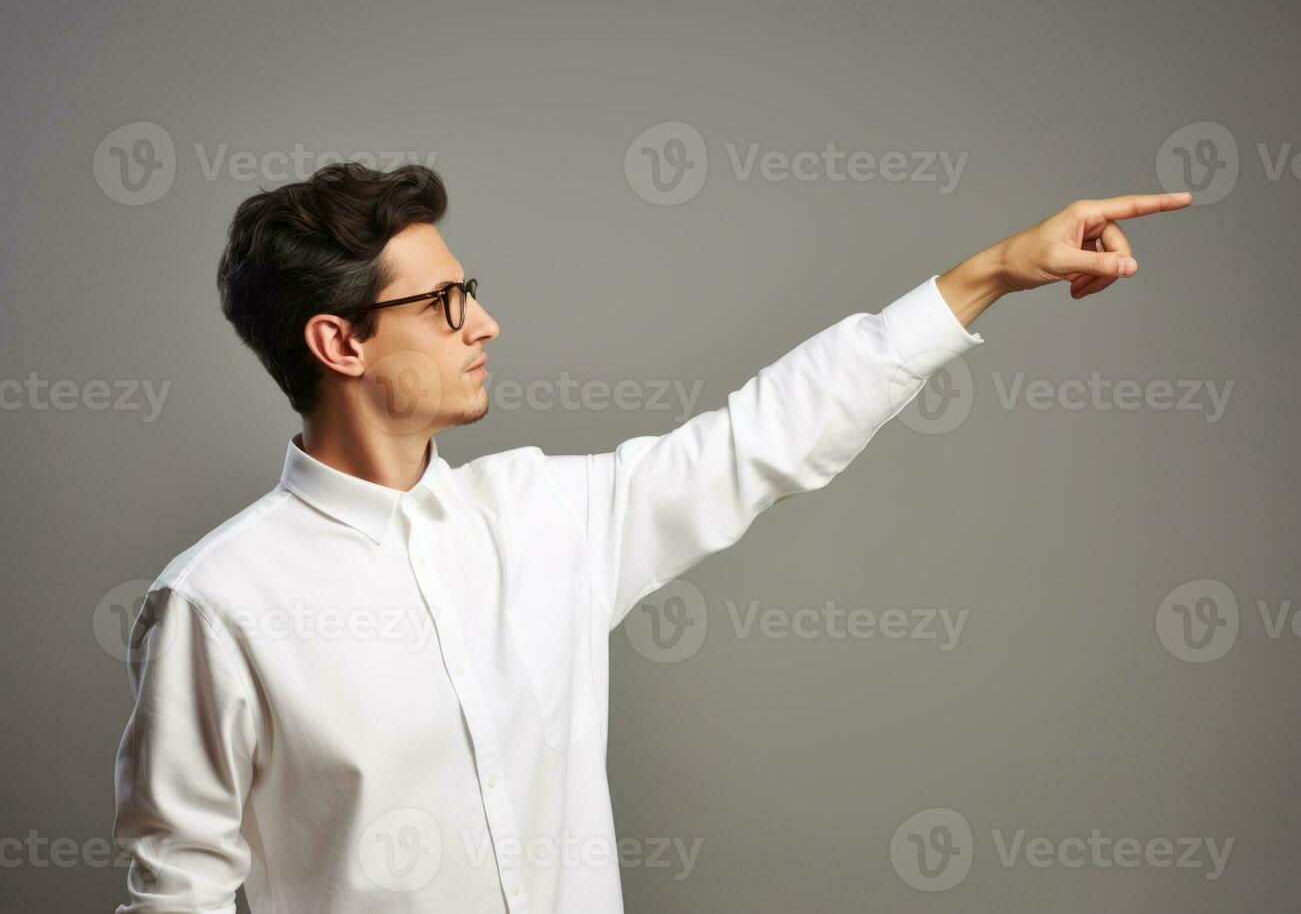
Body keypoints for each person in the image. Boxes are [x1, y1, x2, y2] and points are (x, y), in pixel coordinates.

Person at [111, 162, 1191, 913]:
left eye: (471, 294)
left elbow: (760, 438)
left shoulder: (546, 519)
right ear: (338, 339)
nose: (483, 324)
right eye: (443, 304)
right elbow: (180, 889)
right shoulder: (218, 601)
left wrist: (989, 271)